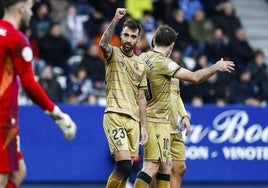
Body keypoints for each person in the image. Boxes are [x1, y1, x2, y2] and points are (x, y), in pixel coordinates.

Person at [133, 25, 235, 188]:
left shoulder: (145, 58)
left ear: (153, 41)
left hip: (168, 122)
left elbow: (174, 94)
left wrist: (184, 115)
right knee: (152, 167)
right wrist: (215, 67)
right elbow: (194, 77)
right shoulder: (165, 65)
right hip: (157, 120)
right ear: (172, 45)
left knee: (170, 167)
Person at [0, 1, 77, 188]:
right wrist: (57, 114)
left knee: (18, 172)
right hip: (3, 119)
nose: (32, 13)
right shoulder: (16, 39)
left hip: (7, 120)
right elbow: (29, 83)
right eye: (29, 8)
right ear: (20, 8)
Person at [98, 8, 148, 188]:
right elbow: (103, 43)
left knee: (127, 169)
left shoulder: (140, 64)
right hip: (115, 115)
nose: (128, 40)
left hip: (134, 121)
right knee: (124, 164)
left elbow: (141, 98)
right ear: (121, 35)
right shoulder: (113, 54)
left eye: (133, 37)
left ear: (138, 39)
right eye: (125, 35)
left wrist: (144, 126)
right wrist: (115, 19)